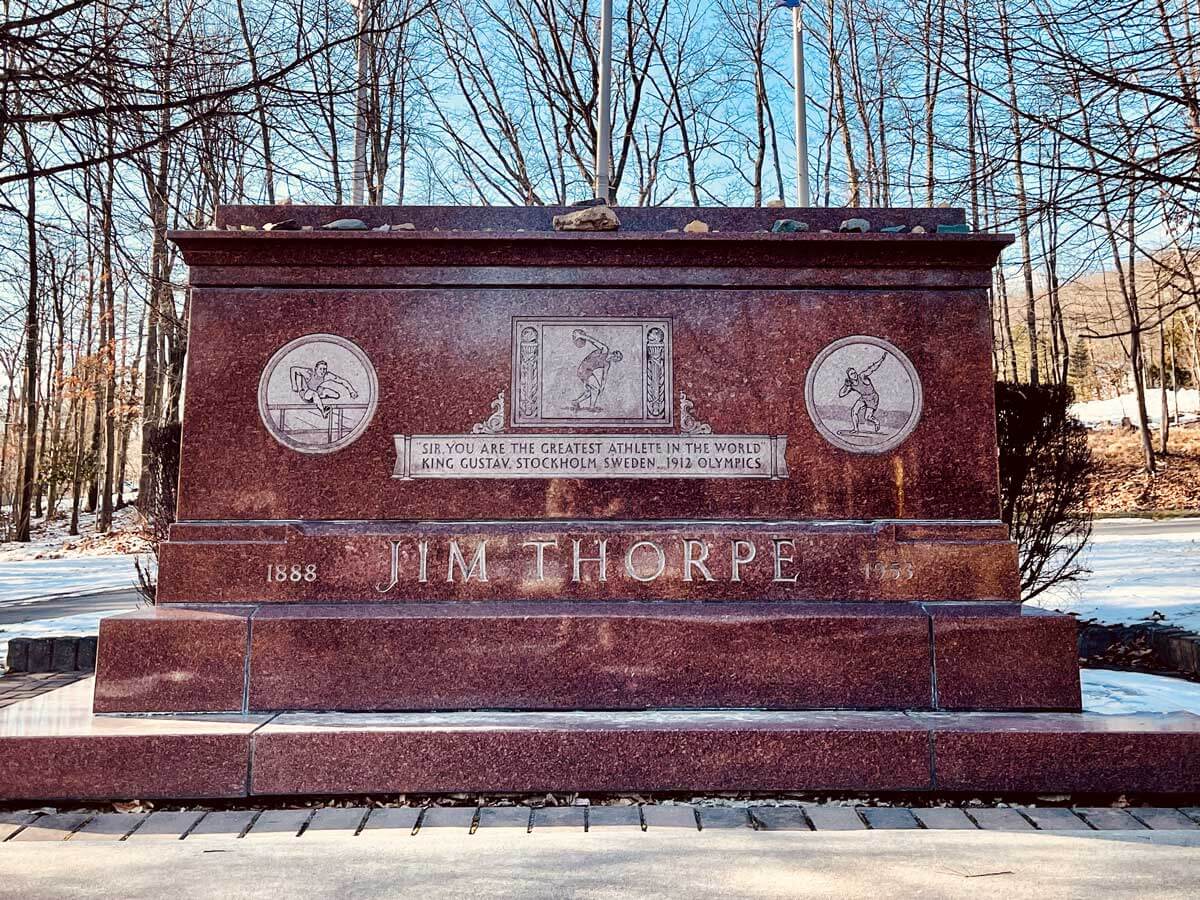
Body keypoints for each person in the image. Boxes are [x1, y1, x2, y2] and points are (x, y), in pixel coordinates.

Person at [569, 329, 623, 411]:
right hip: (584, 369)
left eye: (618, 360)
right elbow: (593, 341)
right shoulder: (605, 350)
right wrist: (581, 336)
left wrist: (602, 387)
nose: (616, 359)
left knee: (589, 392)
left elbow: (604, 376)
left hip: (587, 371)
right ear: (614, 354)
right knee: (595, 390)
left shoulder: (607, 364)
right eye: (617, 357)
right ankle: (592, 407)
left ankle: (576, 402)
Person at [838, 352, 887, 434]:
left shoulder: (862, 376)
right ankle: (856, 429)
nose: (854, 375)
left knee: (868, 417)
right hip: (863, 398)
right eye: (851, 374)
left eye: (854, 372)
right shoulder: (851, 385)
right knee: (854, 411)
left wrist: (881, 360)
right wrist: (846, 385)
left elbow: (872, 368)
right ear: (849, 377)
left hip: (872, 398)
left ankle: (876, 422)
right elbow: (841, 394)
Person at [290, 360, 358, 418]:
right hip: (305, 394)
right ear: (316, 369)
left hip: (316, 390)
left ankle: (318, 399)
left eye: (324, 369)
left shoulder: (326, 375)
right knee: (314, 394)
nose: (322, 371)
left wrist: (351, 391)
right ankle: (323, 411)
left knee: (336, 395)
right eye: (320, 369)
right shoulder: (308, 373)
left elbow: (342, 381)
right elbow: (293, 369)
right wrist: (294, 385)